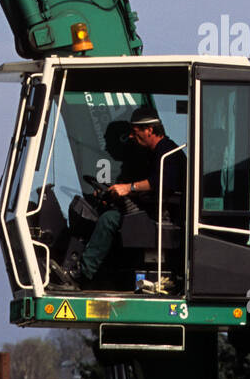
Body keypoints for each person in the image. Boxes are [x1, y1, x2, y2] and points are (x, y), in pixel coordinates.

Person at [53, 105, 184, 289]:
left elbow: (162, 183)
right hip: (151, 212)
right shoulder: (153, 154)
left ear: (149, 130)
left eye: (135, 131)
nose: (131, 136)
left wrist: (128, 188)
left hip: (162, 217)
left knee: (109, 220)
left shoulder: (168, 153)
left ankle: (82, 275)